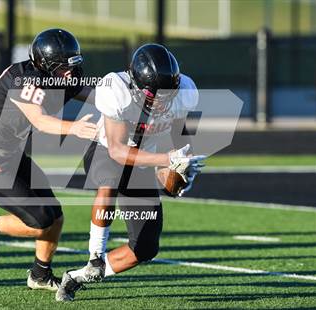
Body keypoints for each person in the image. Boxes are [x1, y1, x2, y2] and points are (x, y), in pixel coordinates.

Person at [56, 43, 206, 301]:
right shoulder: (115, 89)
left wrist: (180, 167)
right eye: (153, 94)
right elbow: (117, 151)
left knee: (146, 247)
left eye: (166, 95)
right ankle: (94, 255)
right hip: (105, 151)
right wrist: (166, 157)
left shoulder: (184, 93)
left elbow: (176, 140)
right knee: (110, 180)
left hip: (142, 160)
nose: (160, 102)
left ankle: (78, 276)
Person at [0, 29, 97, 291]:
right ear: (45, 65)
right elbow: (40, 120)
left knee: (55, 217)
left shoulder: (62, 76)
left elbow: (96, 95)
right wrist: (75, 128)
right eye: (61, 68)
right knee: (40, 222)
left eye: (72, 66)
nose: (68, 74)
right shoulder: (24, 80)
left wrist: (131, 103)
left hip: (13, 155)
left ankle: (40, 275)